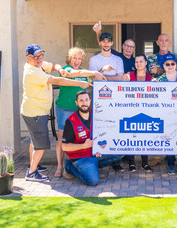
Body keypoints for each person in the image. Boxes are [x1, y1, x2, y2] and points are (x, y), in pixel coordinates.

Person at [21, 44, 92, 181]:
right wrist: (77, 82)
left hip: (37, 110)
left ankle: (33, 165)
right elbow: (56, 80)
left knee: (35, 141)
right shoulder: (32, 72)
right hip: (36, 112)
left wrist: (58, 68)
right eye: (35, 57)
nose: (39, 58)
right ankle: (32, 172)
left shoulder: (39, 65)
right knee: (40, 144)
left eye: (40, 55)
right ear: (28, 58)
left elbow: (53, 65)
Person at [54, 47, 106, 177]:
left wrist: (102, 72)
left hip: (81, 110)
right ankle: (60, 166)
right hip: (65, 108)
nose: (77, 61)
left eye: (79, 59)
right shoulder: (66, 70)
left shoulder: (84, 72)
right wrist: (93, 72)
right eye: (74, 58)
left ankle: (75, 161)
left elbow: (92, 80)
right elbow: (73, 74)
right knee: (62, 138)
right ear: (69, 59)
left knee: (81, 136)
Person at [62, 91, 124, 185]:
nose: (84, 103)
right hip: (81, 157)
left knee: (121, 151)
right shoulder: (71, 121)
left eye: (86, 100)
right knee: (93, 181)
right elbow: (65, 147)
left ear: (90, 101)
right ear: (76, 102)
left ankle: (92, 168)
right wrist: (83, 146)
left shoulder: (96, 113)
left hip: (95, 153)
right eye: (81, 100)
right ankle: (70, 167)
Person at [89, 32, 125, 172]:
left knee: (115, 127)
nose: (105, 43)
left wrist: (102, 76)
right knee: (100, 127)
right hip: (99, 99)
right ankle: (99, 157)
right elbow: (93, 79)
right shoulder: (94, 59)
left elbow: (120, 78)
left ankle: (115, 161)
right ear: (100, 43)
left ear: (112, 43)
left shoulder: (118, 59)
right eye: (103, 41)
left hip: (116, 99)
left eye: (108, 41)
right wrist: (103, 71)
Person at [122, 54, 153, 172]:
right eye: (136, 62)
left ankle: (144, 162)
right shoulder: (129, 75)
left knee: (144, 135)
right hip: (130, 109)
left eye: (141, 61)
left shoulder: (150, 78)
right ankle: (131, 162)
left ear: (146, 63)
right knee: (131, 135)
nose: (138, 64)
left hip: (145, 110)